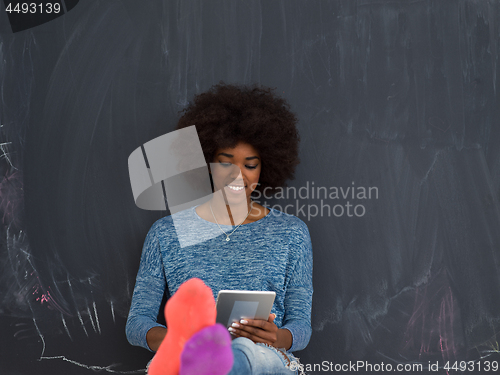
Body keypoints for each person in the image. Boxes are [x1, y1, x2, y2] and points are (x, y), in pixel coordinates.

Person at [126, 82, 313, 375]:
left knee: (247, 356)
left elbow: (301, 325)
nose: (238, 176)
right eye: (226, 164)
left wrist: (278, 337)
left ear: (265, 168)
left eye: (250, 165)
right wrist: (180, 340)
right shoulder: (166, 234)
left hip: (263, 361)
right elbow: (137, 324)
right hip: (189, 359)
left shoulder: (292, 234)